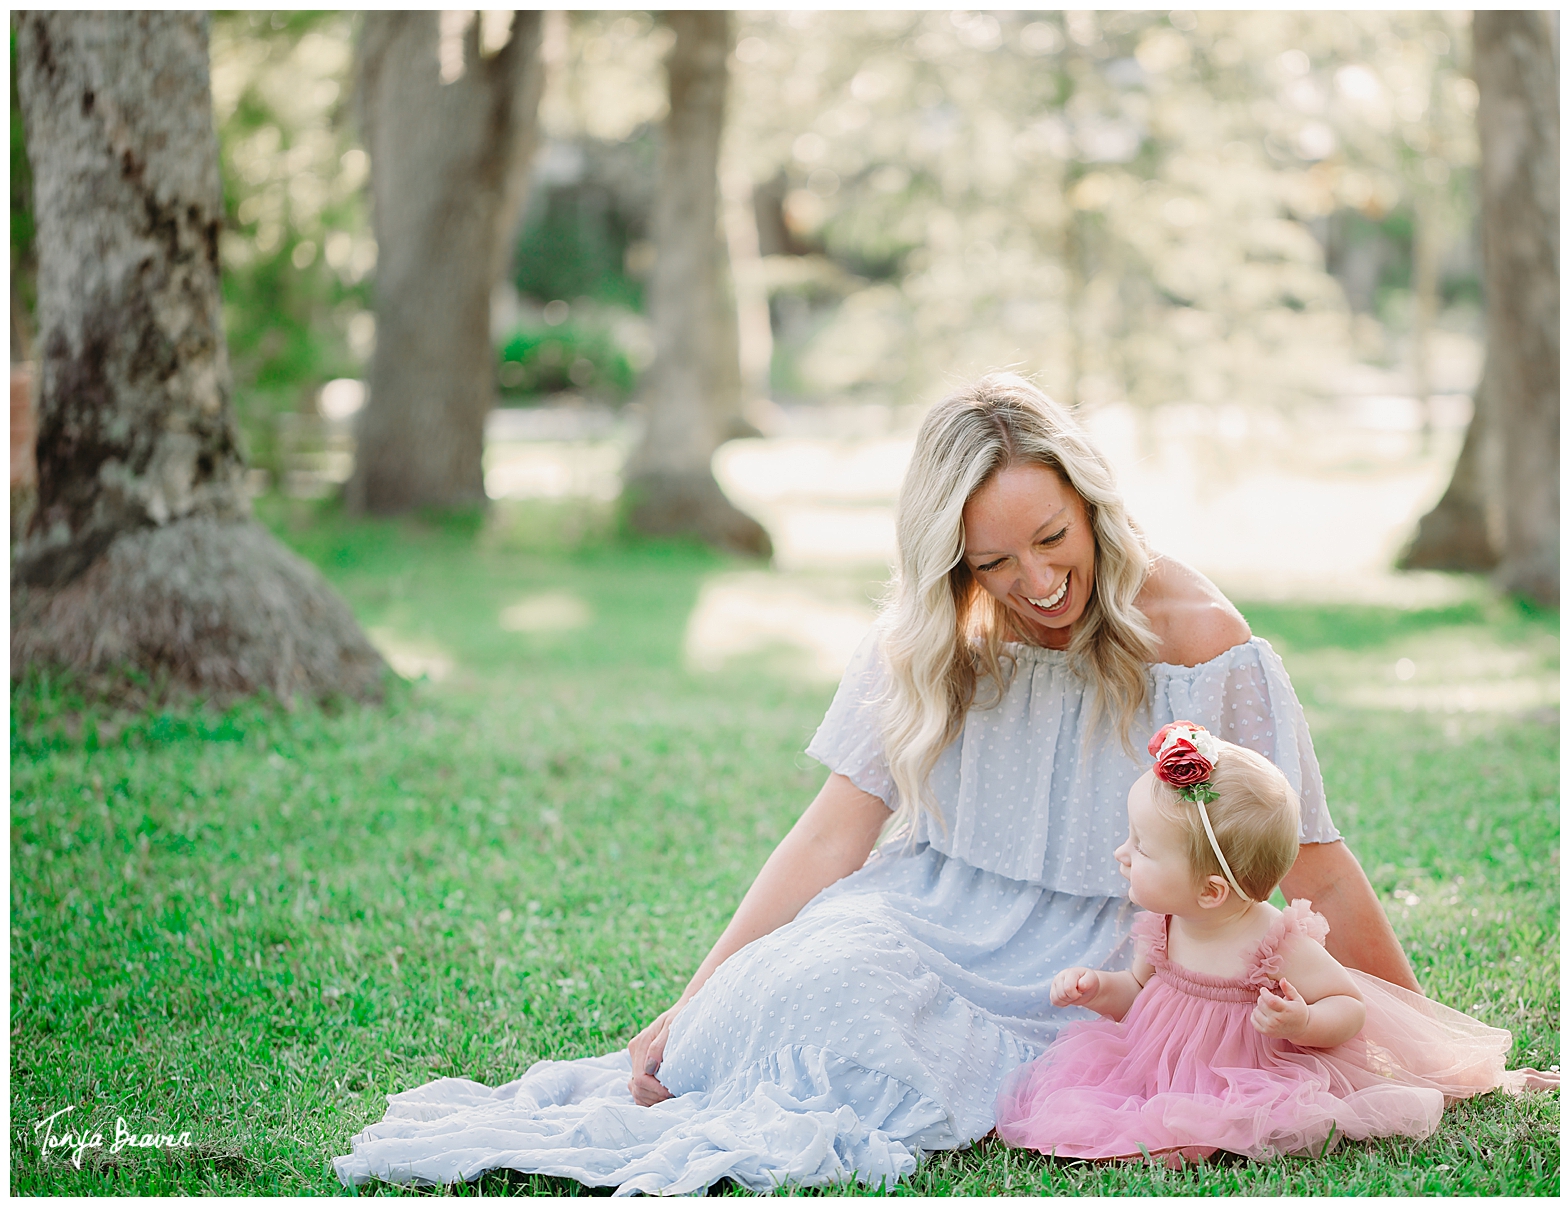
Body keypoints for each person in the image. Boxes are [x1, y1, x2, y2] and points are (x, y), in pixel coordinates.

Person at [334, 373, 1420, 1194]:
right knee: (804, 987)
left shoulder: (1198, 636)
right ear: (952, 562)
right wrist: (698, 993)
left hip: (1089, 959)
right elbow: (829, 838)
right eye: (995, 563)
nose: (1037, 583)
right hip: (926, 912)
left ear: (1092, 503)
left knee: (867, 1044)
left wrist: (1413, 1029)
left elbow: (1310, 853)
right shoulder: (931, 634)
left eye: (1053, 538)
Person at [997, 721, 1560, 1164]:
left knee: (1232, 1122)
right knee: (1122, 1108)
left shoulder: (1277, 942)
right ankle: (1174, 1118)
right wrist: (1099, 989)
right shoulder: (1166, 925)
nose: (1122, 854)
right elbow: (1139, 998)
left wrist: (1302, 1023)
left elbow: (1348, 1005)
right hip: (1161, 1068)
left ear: (1213, 890)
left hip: (1252, 1076)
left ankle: (1208, 1125)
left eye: (1141, 848)